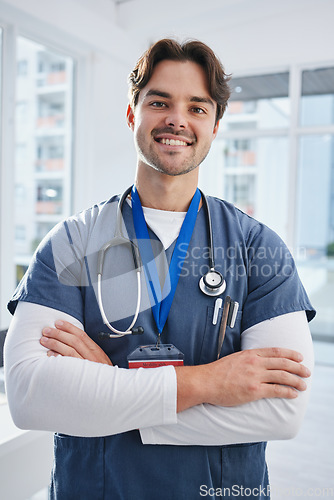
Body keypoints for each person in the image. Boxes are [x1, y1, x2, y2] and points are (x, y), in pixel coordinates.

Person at [5, 39, 315, 500]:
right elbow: (30, 396)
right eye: (159, 102)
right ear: (133, 114)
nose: (177, 120)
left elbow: (280, 412)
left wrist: (109, 388)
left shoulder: (259, 248)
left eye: (197, 107)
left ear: (214, 126)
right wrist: (209, 382)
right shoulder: (71, 242)